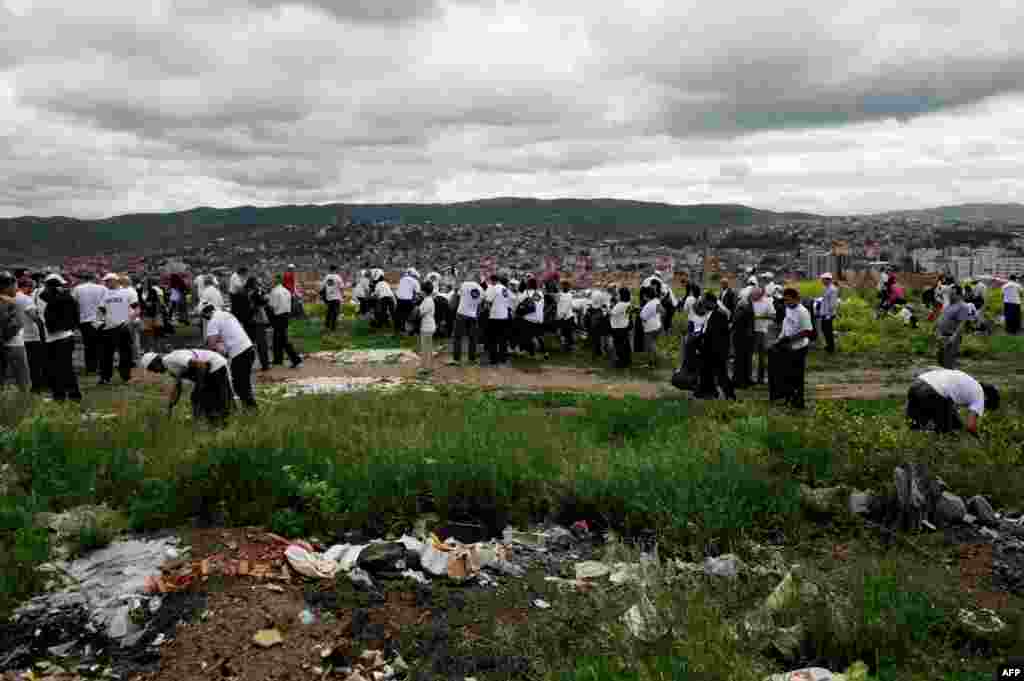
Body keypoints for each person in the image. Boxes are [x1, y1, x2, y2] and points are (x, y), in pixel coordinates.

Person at [141, 349, 233, 424]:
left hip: (216, 366)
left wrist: (200, 388)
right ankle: (209, 422)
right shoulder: (170, 369)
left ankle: (221, 421)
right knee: (202, 399)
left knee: (219, 400)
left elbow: (201, 365)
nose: (154, 372)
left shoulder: (173, 358)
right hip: (208, 372)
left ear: (156, 361)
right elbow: (178, 388)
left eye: (152, 368)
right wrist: (170, 406)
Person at [906, 369, 999, 435]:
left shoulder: (969, 382)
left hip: (916, 385)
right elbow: (971, 426)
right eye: (985, 407)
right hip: (933, 392)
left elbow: (950, 406)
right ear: (987, 399)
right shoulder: (980, 395)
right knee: (949, 429)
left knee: (915, 426)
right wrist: (979, 439)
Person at [202, 303, 257, 409]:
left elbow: (211, 344)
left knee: (239, 385)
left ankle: (252, 409)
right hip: (248, 348)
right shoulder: (226, 314)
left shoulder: (213, 321)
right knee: (243, 383)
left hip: (239, 353)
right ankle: (249, 408)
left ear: (206, 313)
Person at [38, 274, 82, 402]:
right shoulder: (64, 297)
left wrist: (56, 290)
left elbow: (46, 297)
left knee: (63, 369)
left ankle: (69, 395)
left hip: (61, 337)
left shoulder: (62, 297)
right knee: (59, 369)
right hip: (58, 337)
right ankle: (62, 395)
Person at [770, 288, 813, 409]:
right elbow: (786, 326)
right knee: (787, 374)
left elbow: (807, 331)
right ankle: (789, 398)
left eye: (789, 300)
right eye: (785, 300)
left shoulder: (803, 312)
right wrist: (779, 340)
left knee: (797, 376)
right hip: (788, 347)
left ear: (796, 299)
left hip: (799, 348)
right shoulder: (788, 309)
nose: (786, 303)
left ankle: (799, 402)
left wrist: (791, 339)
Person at [97, 273, 138, 385]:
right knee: (106, 354)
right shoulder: (105, 294)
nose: (106, 283)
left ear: (115, 281)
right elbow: (101, 309)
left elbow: (137, 309)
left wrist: (129, 321)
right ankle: (105, 377)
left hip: (123, 326)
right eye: (105, 281)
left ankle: (126, 377)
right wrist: (101, 321)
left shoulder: (127, 292)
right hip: (108, 328)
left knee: (125, 354)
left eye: (108, 281)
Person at [694, 292, 735, 399]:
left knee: (721, 375)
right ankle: (705, 393)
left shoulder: (720, 315)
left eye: (704, 301)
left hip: (717, 350)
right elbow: (707, 330)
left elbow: (718, 335)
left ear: (711, 302)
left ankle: (730, 395)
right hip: (708, 349)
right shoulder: (710, 313)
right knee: (705, 372)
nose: (703, 303)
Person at [0, 272, 30, 392]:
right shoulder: (10, 301)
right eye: (15, 286)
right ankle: (25, 403)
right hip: (14, 344)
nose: (16, 289)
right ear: (8, 286)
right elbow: (16, 324)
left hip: (4, 344)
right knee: (23, 379)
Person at [71, 272, 106, 374]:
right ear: (94, 278)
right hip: (100, 319)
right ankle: (102, 366)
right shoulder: (102, 288)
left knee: (89, 345)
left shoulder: (77, 288)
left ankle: (91, 367)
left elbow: (73, 304)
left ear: (83, 279)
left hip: (85, 320)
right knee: (101, 344)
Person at [935, 287, 976, 369]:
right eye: (950, 294)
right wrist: (937, 330)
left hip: (951, 336)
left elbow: (961, 323)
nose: (950, 296)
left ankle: (950, 376)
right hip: (942, 335)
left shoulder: (963, 306)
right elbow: (942, 317)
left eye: (952, 294)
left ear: (959, 295)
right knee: (941, 359)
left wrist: (954, 337)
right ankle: (943, 377)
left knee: (948, 360)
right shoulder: (949, 304)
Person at [17, 277, 46, 392]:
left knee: (24, 365)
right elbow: (34, 316)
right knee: (35, 364)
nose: (33, 289)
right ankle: (36, 386)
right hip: (31, 336)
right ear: (26, 286)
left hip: (18, 336)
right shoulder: (26, 299)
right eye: (32, 287)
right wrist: (42, 327)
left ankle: (24, 386)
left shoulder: (11, 298)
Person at [267, 276, 303, 368]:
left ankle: (296, 359)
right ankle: (278, 359)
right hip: (286, 316)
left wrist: (268, 318)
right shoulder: (286, 291)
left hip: (278, 317)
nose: (271, 282)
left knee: (282, 340)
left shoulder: (274, 292)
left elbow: (272, 307)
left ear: (276, 281)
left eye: (272, 280)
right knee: (277, 339)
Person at [240, 277, 271, 371]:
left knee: (248, 345)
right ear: (253, 284)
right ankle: (264, 364)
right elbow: (263, 301)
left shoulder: (244, 293)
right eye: (257, 283)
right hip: (257, 321)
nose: (259, 285)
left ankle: (246, 365)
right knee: (261, 344)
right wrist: (264, 296)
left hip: (248, 322)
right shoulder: (255, 293)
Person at [450, 277, 483, 365]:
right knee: (472, 338)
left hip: (461, 313)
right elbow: (479, 306)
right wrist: (476, 316)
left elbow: (457, 295)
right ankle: (472, 359)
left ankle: (456, 359)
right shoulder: (481, 289)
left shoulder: (464, 285)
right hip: (473, 315)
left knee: (457, 337)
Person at [485, 274, 512, 365]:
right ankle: (503, 358)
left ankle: (493, 359)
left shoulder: (494, 288)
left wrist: (488, 309)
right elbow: (509, 304)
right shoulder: (505, 289)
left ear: (493, 281)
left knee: (493, 339)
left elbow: (488, 301)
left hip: (495, 316)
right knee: (502, 339)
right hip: (504, 316)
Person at [730, 292, 755, 388]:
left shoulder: (742, 308)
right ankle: (743, 380)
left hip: (741, 338)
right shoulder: (747, 308)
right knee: (743, 360)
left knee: (741, 360)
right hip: (744, 339)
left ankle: (741, 380)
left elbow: (736, 323)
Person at [751, 288, 774, 385]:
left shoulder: (767, 303)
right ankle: (751, 377)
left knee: (761, 356)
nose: (754, 297)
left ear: (761, 295)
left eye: (756, 295)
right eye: (753, 295)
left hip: (762, 331)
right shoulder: (749, 302)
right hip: (750, 331)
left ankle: (760, 378)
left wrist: (760, 317)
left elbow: (773, 315)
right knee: (751, 355)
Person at [520, 279, 547, 360]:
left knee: (526, 336)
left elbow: (520, 303)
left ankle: (531, 353)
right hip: (539, 318)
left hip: (529, 318)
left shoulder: (526, 293)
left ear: (528, 284)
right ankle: (545, 353)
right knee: (539, 336)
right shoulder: (540, 293)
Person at [639, 286, 662, 369]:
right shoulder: (657, 301)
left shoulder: (648, 306)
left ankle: (652, 363)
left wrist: (642, 313)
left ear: (646, 295)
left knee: (650, 346)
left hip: (650, 328)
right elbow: (660, 311)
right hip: (658, 326)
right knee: (653, 344)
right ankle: (653, 362)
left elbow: (643, 318)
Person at [609, 287, 632, 369]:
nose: (618, 295)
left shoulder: (620, 305)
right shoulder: (628, 303)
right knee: (625, 345)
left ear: (621, 295)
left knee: (619, 346)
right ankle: (627, 360)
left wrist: (609, 308)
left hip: (618, 328)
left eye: (619, 294)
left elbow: (612, 313)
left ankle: (621, 362)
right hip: (624, 326)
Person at [417, 280, 436, 376]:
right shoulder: (428, 299)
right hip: (429, 326)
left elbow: (420, 313)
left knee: (425, 348)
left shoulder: (427, 300)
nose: (420, 292)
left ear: (424, 291)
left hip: (427, 327)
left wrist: (416, 310)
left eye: (421, 290)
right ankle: (428, 366)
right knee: (427, 348)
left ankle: (425, 368)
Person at [395, 268, 421, 337]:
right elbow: (418, 294)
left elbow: (397, 291)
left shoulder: (402, 279)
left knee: (400, 315)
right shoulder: (415, 281)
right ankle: (412, 330)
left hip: (399, 300)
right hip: (408, 301)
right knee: (412, 315)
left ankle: (399, 330)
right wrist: (416, 301)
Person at [818, 273, 840, 353]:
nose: (822, 281)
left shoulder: (832, 289)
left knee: (828, 330)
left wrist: (828, 315)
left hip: (829, 314)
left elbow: (833, 304)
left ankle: (831, 347)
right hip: (824, 312)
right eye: (822, 280)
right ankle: (828, 345)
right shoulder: (826, 288)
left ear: (828, 280)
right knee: (824, 329)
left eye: (823, 280)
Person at [320, 265, 343, 331]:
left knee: (329, 312)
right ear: (335, 270)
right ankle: (333, 327)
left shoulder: (327, 277)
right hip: (336, 297)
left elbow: (322, 287)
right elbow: (341, 287)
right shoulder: (338, 277)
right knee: (335, 313)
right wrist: (342, 295)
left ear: (329, 269)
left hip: (329, 298)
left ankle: (327, 325)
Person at [557, 280, 575, 351]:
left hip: (567, 317)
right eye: (563, 285)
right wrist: (559, 315)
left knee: (568, 333)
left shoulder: (570, 295)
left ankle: (569, 346)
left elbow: (567, 306)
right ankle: (564, 345)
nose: (564, 287)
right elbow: (558, 305)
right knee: (563, 333)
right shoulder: (559, 295)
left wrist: (562, 315)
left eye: (566, 286)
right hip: (561, 317)